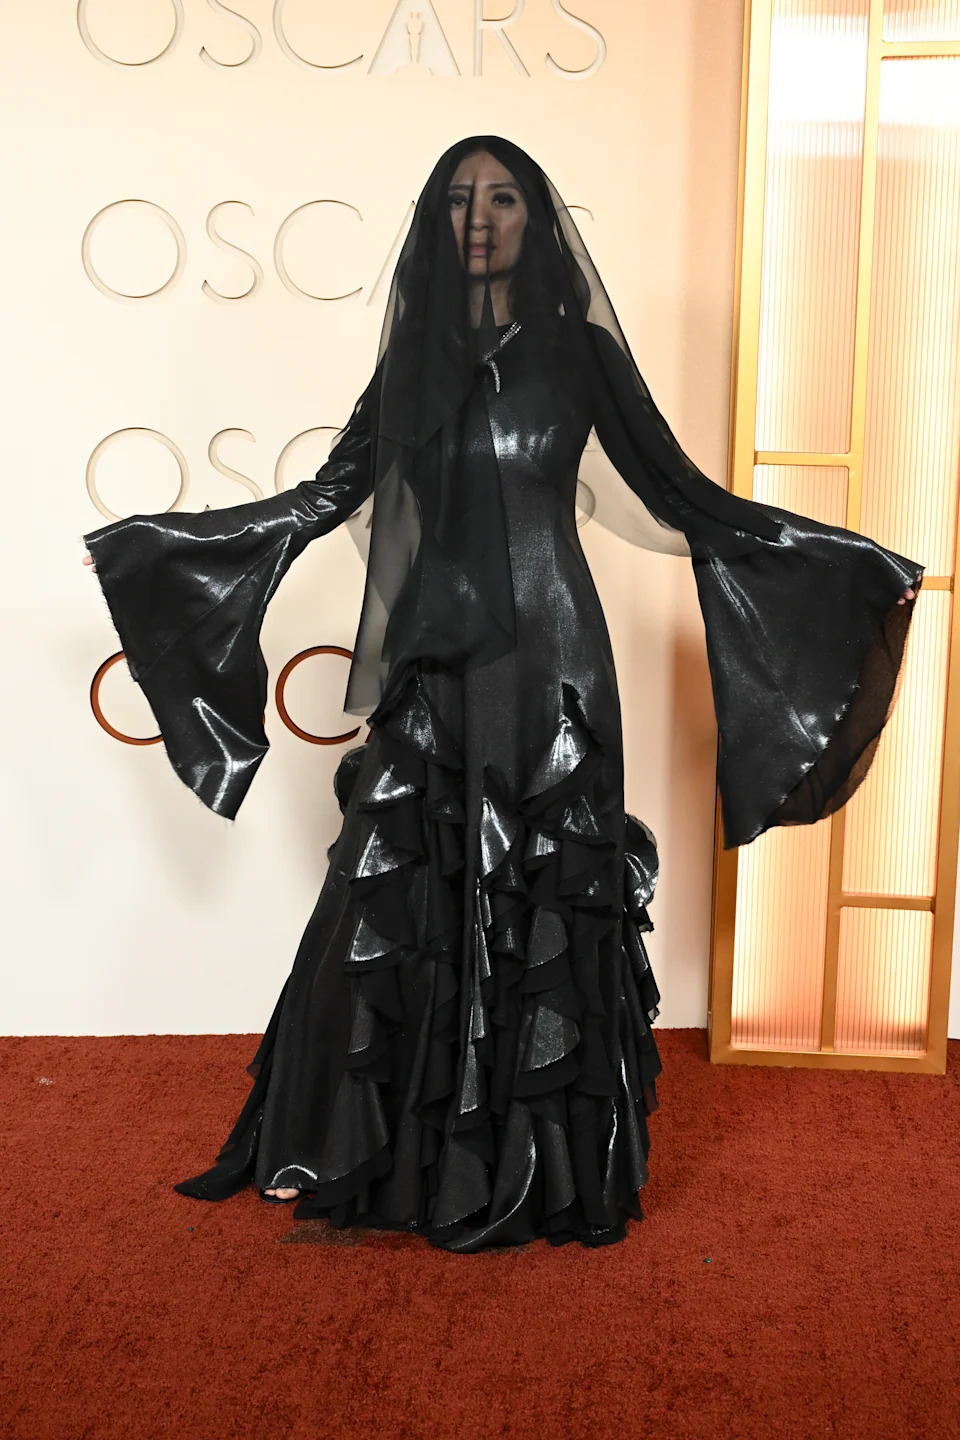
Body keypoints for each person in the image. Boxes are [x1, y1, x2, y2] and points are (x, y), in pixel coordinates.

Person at [82, 136, 920, 1252]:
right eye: (459, 200)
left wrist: (838, 562)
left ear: (538, 218)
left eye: (505, 198)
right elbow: (329, 493)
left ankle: (548, 1171)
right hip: (439, 660)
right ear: (436, 222)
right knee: (397, 882)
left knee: (550, 886)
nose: (480, 218)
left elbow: (683, 496)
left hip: (556, 659)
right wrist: (170, 550)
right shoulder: (413, 359)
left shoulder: (580, 354)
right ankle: (379, 1155)